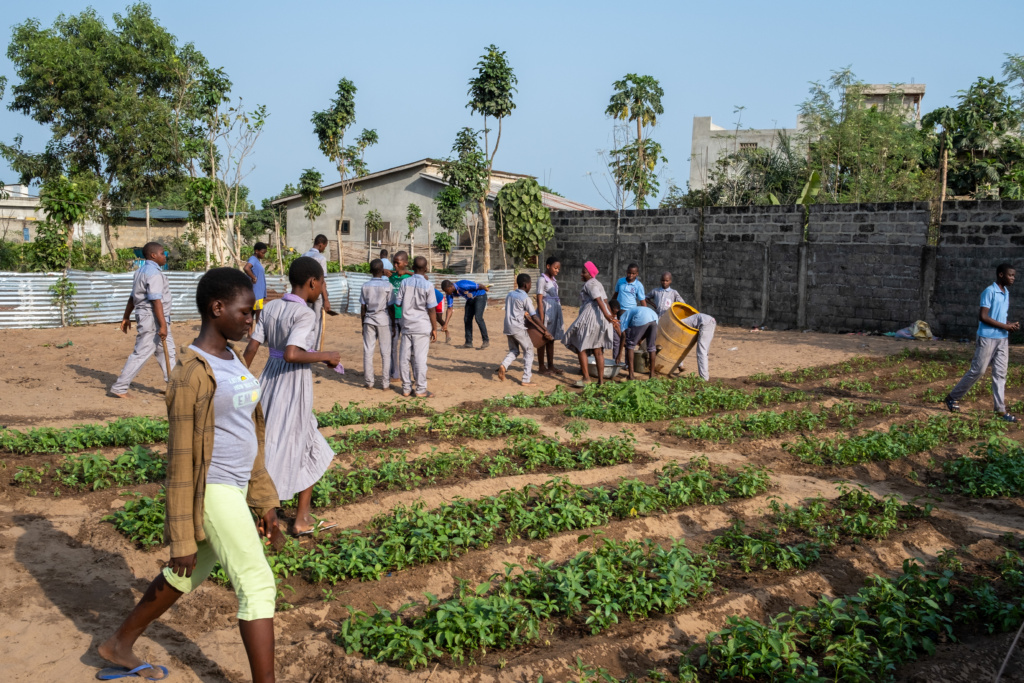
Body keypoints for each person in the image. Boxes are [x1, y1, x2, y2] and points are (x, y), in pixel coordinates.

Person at [97, 267, 284, 683]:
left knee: (187, 573)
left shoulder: (233, 356)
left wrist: (265, 499)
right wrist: (182, 534)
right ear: (217, 308)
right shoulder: (190, 374)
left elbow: (248, 434)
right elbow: (181, 461)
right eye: (245, 311)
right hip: (212, 487)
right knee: (257, 584)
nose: (251, 319)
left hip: (237, 485)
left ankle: (118, 644)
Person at [243, 257, 341, 535]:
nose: (321, 288)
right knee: (284, 444)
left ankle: (301, 517)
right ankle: (268, 515)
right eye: (321, 283)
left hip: (269, 379)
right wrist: (327, 356)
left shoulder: (272, 306)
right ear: (312, 282)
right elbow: (292, 353)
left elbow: (252, 347)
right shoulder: (305, 314)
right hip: (291, 383)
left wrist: (239, 379)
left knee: (305, 442)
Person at [945, 263, 1020, 422]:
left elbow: (998, 316)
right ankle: (952, 397)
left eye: (1014, 275)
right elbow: (983, 317)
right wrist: (1005, 326)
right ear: (1001, 275)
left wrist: (1009, 325)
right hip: (987, 338)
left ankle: (1000, 411)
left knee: (1000, 374)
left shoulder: (1006, 292)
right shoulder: (989, 291)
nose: (1013, 278)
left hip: (1002, 339)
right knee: (978, 371)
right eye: (1010, 275)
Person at [110, 242, 175, 398]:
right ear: (153, 255)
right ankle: (120, 387)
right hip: (154, 319)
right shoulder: (154, 274)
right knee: (142, 352)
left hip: (153, 317)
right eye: (162, 253)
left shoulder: (140, 271)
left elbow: (133, 297)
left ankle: (174, 387)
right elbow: (155, 300)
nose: (164, 256)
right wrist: (163, 325)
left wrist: (126, 316)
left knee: (168, 352)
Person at [563, 261, 620, 388]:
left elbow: (599, 299)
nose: (581, 274)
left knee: (581, 347)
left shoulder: (590, 284)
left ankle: (586, 378)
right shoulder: (598, 283)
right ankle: (600, 381)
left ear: (590, 274)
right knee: (598, 351)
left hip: (590, 317)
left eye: (584, 272)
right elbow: (605, 300)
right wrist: (611, 318)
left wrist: (607, 315)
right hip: (601, 319)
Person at [496, 273, 551, 386]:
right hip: (518, 328)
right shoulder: (525, 298)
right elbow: (534, 316)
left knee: (514, 351)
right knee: (529, 350)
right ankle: (526, 379)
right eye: (530, 284)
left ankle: (504, 365)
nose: (531, 286)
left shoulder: (510, 294)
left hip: (508, 327)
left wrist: (522, 313)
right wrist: (545, 329)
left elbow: (514, 309)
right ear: (526, 285)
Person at [396, 255, 438, 398]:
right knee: (420, 359)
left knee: (404, 358)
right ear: (426, 269)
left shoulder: (405, 282)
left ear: (413, 268)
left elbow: (398, 303)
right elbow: (432, 309)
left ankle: (406, 389)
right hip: (422, 326)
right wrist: (435, 328)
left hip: (406, 325)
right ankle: (421, 390)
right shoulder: (428, 285)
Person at [360, 259, 392, 390]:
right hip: (383, 320)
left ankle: (369, 382)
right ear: (382, 270)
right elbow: (390, 307)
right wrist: (394, 324)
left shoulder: (365, 286)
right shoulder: (387, 286)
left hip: (369, 320)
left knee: (368, 351)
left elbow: (363, 307)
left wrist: (362, 324)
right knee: (385, 352)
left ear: (370, 271)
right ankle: (385, 384)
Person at [613, 300, 660, 381]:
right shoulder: (632, 312)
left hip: (642, 317)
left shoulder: (623, 317)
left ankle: (631, 375)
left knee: (630, 346)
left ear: (618, 318)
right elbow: (644, 330)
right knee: (652, 347)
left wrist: (619, 354)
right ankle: (652, 375)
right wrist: (639, 339)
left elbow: (623, 336)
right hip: (654, 318)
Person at [612, 263, 646, 364]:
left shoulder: (638, 286)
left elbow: (642, 301)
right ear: (626, 272)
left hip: (631, 313)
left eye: (633, 273)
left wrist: (644, 314)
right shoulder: (620, 282)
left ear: (637, 274)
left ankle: (627, 363)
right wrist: (610, 307)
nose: (630, 275)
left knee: (628, 337)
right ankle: (615, 361)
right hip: (619, 312)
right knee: (618, 336)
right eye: (629, 273)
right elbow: (615, 295)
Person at [537, 256, 565, 375]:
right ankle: (541, 366)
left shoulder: (553, 280)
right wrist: (542, 316)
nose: (557, 270)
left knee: (551, 339)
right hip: (546, 312)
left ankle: (551, 366)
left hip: (554, 312)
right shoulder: (542, 280)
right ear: (548, 266)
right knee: (543, 339)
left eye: (558, 269)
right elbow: (539, 299)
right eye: (555, 268)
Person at [302, 235, 331, 350]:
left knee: (305, 318)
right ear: (320, 244)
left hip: (305, 292)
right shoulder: (321, 258)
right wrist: (326, 299)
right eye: (324, 246)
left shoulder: (303, 256)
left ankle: (305, 344)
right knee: (317, 320)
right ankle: (315, 347)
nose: (324, 248)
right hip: (317, 293)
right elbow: (322, 281)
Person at [388, 251, 412, 382]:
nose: (395, 265)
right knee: (393, 346)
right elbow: (374, 269)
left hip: (406, 316)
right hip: (392, 316)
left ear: (405, 263)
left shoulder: (410, 276)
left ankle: (407, 374)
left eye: (398, 263)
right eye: (394, 263)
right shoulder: (391, 274)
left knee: (407, 346)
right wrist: (385, 271)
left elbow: (424, 277)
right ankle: (395, 373)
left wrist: (407, 272)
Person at [447, 278, 491, 349]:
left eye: (446, 291)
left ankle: (486, 340)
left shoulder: (462, 284)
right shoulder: (449, 294)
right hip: (470, 299)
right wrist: (446, 324)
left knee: (478, 318)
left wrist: (486, 288)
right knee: (467, 319)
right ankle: (468, 342)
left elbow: (479, 286)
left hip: (480, 296)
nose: (446, 293)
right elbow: (449, 309)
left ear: (450, 287)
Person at [679, 312, 717, 381]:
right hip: (712, 321)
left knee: (701, 352)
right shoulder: (689, 319)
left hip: (705, 323)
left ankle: (704, 378)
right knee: (705, 351)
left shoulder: (680, 323)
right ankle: (705, 376)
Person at [244, 242, 268, 329]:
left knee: (253, 313)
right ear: (256, 251)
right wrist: (253, 277)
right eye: (262, 252)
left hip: (258, 293)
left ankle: (250, 334)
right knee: (258, 315)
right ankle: (256, 334)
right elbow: (246, 268)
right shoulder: (253, 259)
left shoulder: (256, 260)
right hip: (256, 293)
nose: (263, 255)